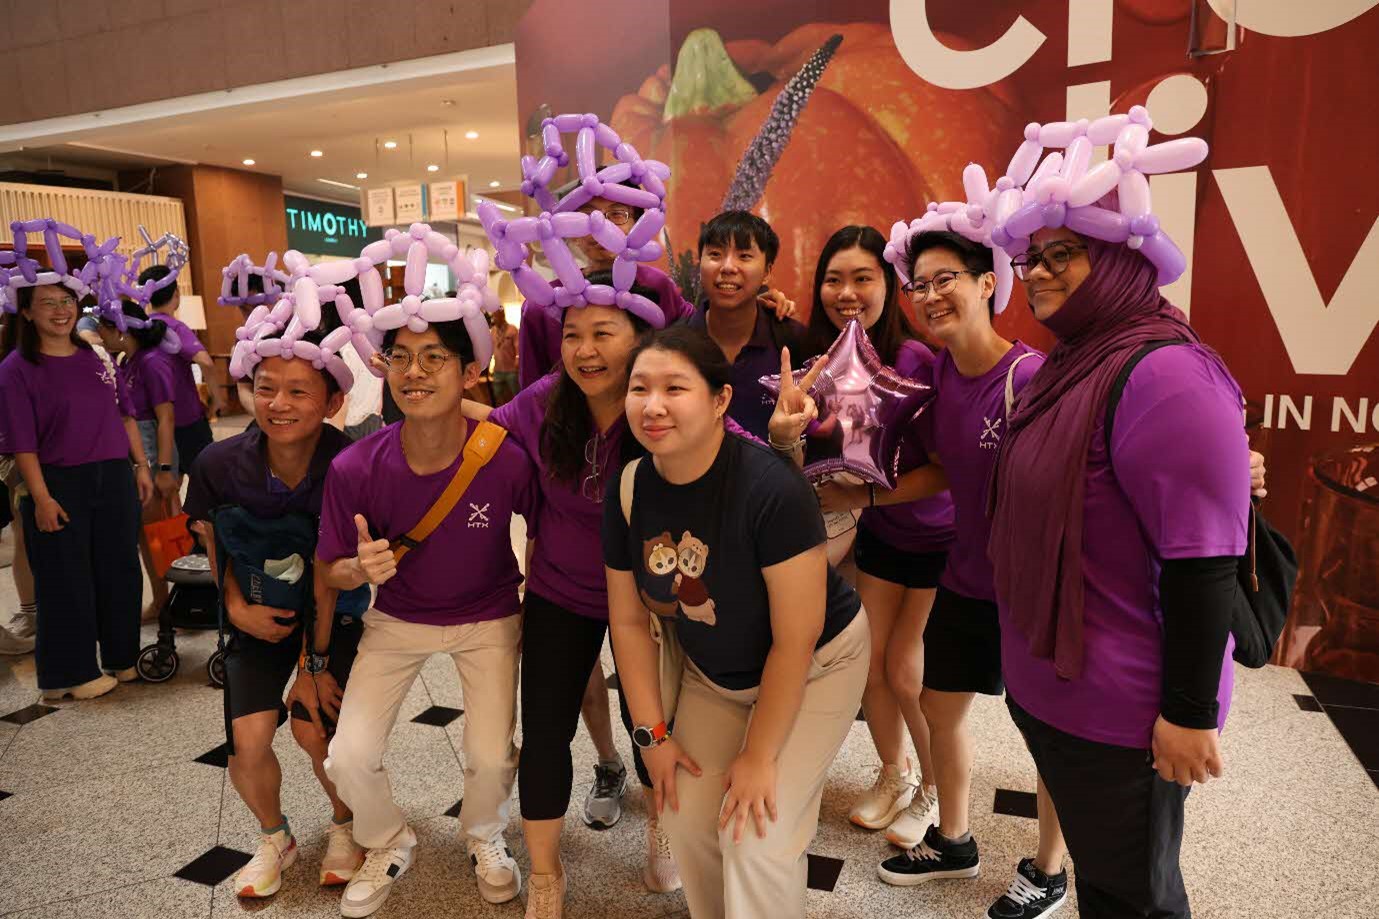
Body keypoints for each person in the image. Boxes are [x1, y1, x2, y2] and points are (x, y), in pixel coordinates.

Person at [987, 227, 1250, 919]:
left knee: (1133, 898)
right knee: (1103, 882)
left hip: (1122, 718)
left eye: (1060, 256)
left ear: (1118, 259)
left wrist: (1187, 713)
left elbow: (1204, 560)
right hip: (1060, 699)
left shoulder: (1164, 373)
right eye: (1031, 258)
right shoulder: (1073, 360)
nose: (1037, 273)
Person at [832, 229, 1068, 918]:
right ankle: (954, 839)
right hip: (965, 574)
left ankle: (1049, 868)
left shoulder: (1028, 378)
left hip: (1028, 590)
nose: (931, 295)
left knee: (1045, 730)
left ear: (988, 283)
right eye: (920, 283)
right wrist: (862, 494)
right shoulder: (939, 376)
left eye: (946, 279)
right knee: (940, 707)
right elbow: (940, 470)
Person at [604, 325, 868, 919]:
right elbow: (626, 621)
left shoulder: (769, 488)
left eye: (675, 387)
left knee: (755, 838)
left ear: (720, 401)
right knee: (689, 819)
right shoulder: (631, 486)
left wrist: (759, 756)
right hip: (714, 677)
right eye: (639, 387)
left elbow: (795, 641)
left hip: (818, 665)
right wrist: (652, 738)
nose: (652, 405)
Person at [318, 316, 536, 918]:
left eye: (434, 358)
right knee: (348, 755)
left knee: (491, 755)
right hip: (396, 619)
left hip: (488, 615)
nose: (414, 372)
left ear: (470, 372)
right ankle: (387, 840)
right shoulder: (355, 467)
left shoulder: (503, 457)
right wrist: (358, 570)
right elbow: (330, 568)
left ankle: (484, 833)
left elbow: (547, 527)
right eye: (402, 358)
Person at [775, 225, 956, 849]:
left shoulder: (915, 362)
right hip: (877, 539)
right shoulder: (816, 357)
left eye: (863, 278)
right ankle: (893, 773)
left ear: (890, 286)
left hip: (937, 538)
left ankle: (935, 789)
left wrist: (866, 496)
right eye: (833, 278)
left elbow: (944, 470)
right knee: (870, 670)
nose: (846, 292)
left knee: (908, 671)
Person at [185, 326, 369, 900]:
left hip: (333, 615)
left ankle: (346, 827)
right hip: (258, 615)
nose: (279, 405)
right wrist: (236, 607)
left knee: (318, 731)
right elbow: (216, 543)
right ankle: (275, 838)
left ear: (333, 402)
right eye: (267, 389)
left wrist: (314, 665)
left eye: (298, 392)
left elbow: (331, 572)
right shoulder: (218, 464)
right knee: (249, 740)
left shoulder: (352, 465)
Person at [0, 283, 154, 701]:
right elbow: (22, 442)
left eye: (66, 301)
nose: (60, 310)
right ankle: (72, 673)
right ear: (27, 313)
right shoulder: (16, 368)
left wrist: (140, 466)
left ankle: (122, 657)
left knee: (120, 569)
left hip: (114, 475)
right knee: (67, 579)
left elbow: (125, 414)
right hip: (57, 480)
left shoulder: (97, 356)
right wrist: (42, 497)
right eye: (47, 303)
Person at [95, 302, 185, 620]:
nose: (99, 336)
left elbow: (166, 418)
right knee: (148, 535)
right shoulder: (126, 360)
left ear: (119, 329)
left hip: (155, 452)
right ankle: (164, 599)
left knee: (162, 534)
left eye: (102, 329)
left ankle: (173, 600)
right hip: (139, 454)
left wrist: (163, 469)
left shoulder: (152, 362)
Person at [688, 211, 809, 441]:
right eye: (715, 254)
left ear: (767, 272)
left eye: (744, 256)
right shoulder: (678, 345)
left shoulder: (792, 340)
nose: (728, 267)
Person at [139, 264, 222, 469]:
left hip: (155, 421)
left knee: (170, 482)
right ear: (176, 293)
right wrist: (217, 399)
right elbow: (206, 361)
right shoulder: (174, 326)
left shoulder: (141, 327)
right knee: (209, 478)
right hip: (186, 418)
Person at [490, 309, 519, 405]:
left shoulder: (512, 329)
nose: (494, 319)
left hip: (511, 370)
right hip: (497, 370)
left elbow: (518, 347)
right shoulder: (493, 331)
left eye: (496, 316)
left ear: (502, 316)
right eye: (493, 316)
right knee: (497, 396)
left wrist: (517, 359)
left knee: (517, 395)